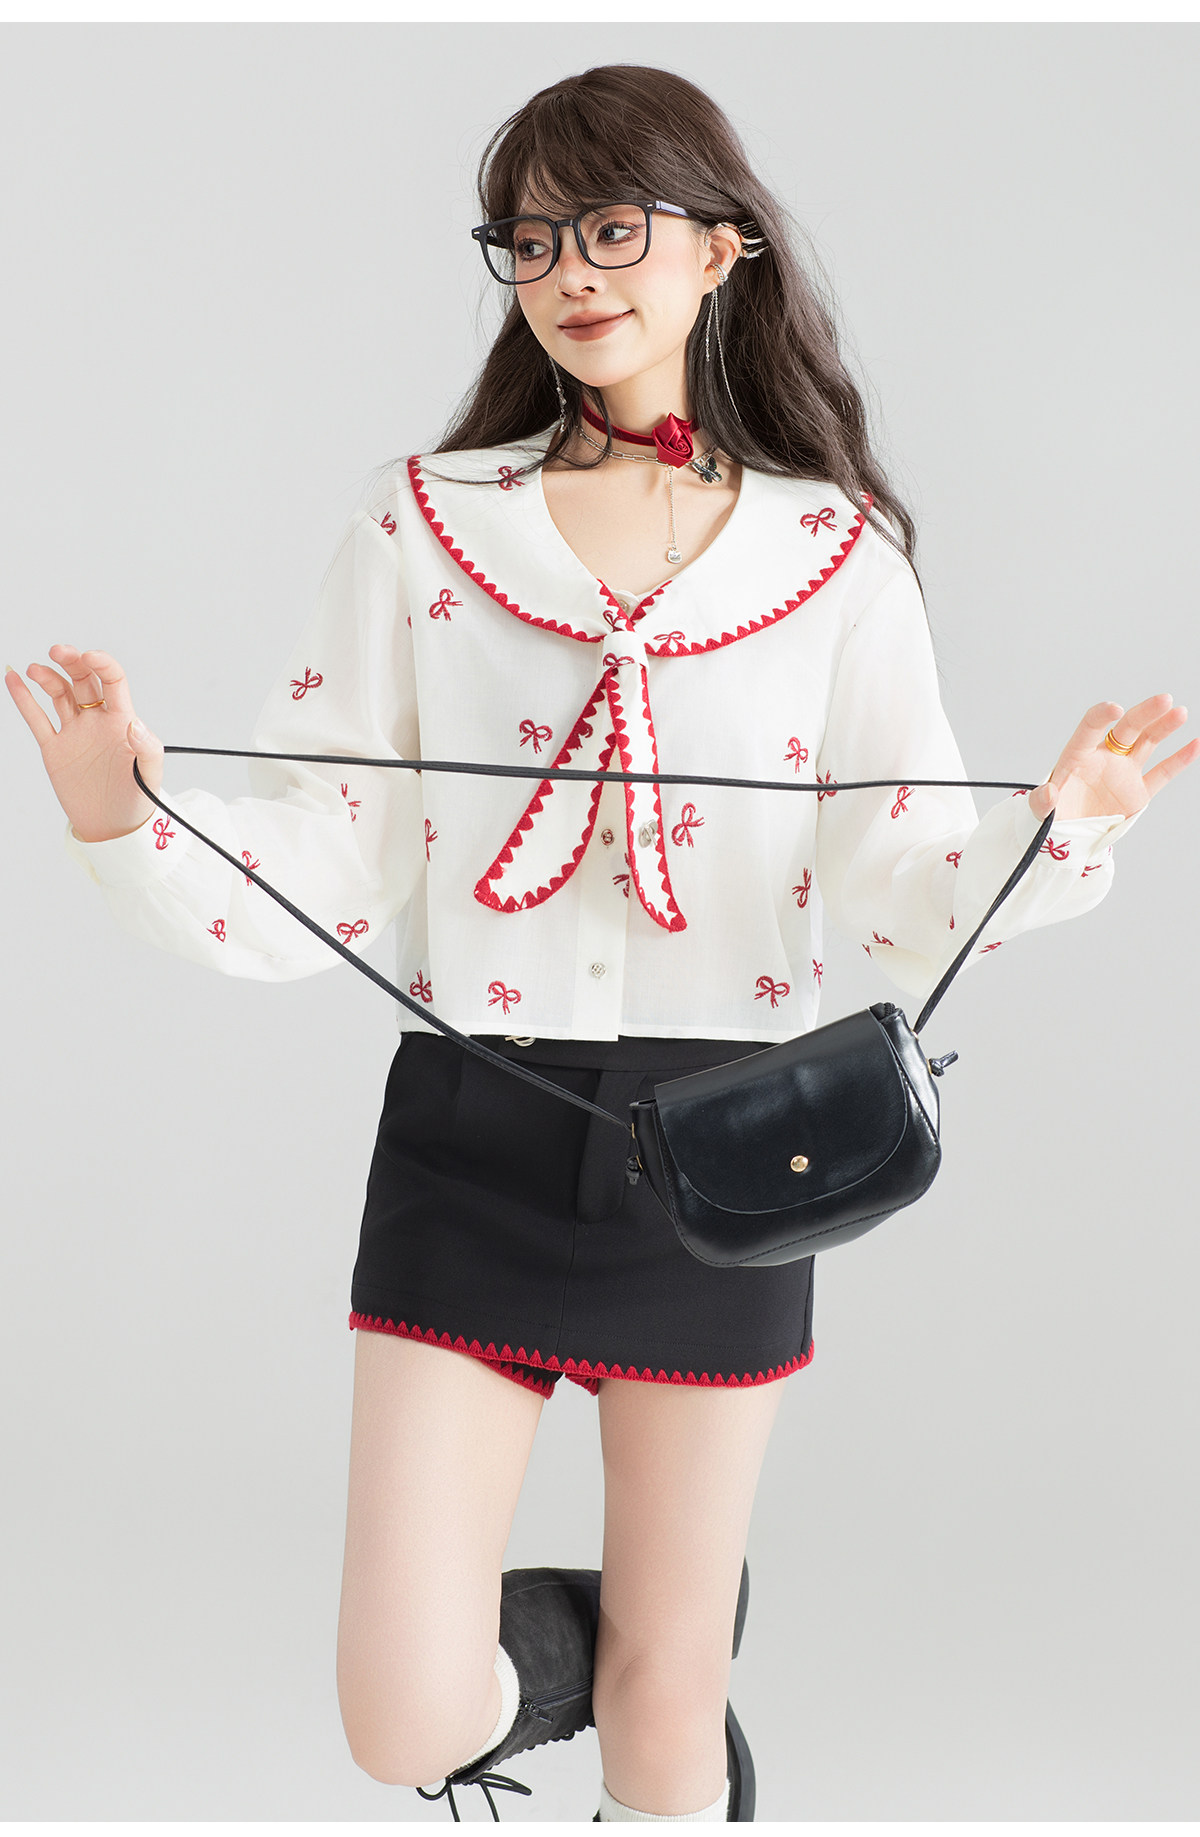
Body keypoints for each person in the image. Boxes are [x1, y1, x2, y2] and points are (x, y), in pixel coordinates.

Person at [7, 63, 1195, 1827]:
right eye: (532, 237)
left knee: (665, 1723)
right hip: (470, 1131)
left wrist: (1059, 825)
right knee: (405, 1713)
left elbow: (895, 876)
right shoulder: (425, 523)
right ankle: (618, 1638)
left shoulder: (833, 554)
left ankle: (668, 1664)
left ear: (721, 247)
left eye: (614, 227)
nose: (570, 270)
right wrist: (128, 817)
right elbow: (333, 848)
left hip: (736, 1145)